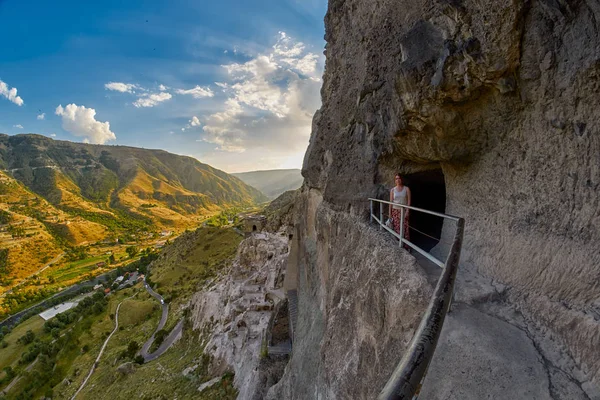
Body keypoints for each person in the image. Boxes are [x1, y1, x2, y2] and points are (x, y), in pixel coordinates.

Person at [389, 174, 411, 248]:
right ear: (395, 180)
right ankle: (398, 245)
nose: (397, 180)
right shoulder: (392, 190)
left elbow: (409, 201)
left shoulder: (406, 189)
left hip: (404, 211)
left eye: (399, 178)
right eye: (396, 179)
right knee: (396, 227)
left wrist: (407, 211)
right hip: (395, 211)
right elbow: (390, 202)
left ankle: (406, 246)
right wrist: (390, 213)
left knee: (405, 227)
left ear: (402, 179)